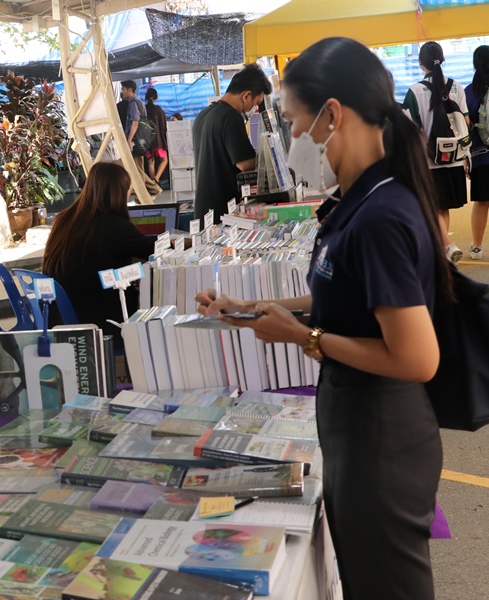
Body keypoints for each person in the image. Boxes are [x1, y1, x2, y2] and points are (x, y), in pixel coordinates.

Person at [196, 37, 447, 600]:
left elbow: (416, 358)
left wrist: (306, 338)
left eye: (292, 121)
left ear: (331, 115)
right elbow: (348, 295)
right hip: (358, 426)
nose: (290, 138)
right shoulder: (358, 200)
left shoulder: (381, 213)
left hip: (381, 435)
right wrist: (251, 308)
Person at [42, 162, 154, 346]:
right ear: (118, 192)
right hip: (99, 318)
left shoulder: (64, 218)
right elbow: (154, 250)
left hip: (61, 315)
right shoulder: (112, 225)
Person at [403, 41, 470, 262]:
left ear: (420, 62)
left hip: (429, 160)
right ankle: (443, 251)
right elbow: (465, 122)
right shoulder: (456, 87)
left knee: (432, 208)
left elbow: (410, 129)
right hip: (454, 158)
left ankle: (446, 246)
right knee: (442, 209)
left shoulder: (415, 91)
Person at [192, 63, 271, 223]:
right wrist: (269, 157)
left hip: (203, 210)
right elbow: (245, 164)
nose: (254, 109)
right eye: (256, 103)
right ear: (246, 96)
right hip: (223, 210)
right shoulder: (230, 116)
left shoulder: (203, 115)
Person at [466, 45, 489, 260]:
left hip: (481, 155)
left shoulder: (470, 91)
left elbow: (465, 125)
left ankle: (477, 247)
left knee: (482, 203)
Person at [120, 80, 163, 197]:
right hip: (140, 140)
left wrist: (129, 140)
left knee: (137, 169)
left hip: (135, 141)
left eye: (123, 89)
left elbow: (135, 122)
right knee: (137, 168)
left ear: (130, 90)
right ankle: (150, 191)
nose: (122, 92)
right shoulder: (138, 102)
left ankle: (147, 193)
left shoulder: (134, 103)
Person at [145, 88, 169, 185]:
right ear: (156, 97)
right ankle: (156, 179)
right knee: (164, 160)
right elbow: (164, 125)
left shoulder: (144, 109)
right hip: (158, 141)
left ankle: (153, 184)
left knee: (151, 162)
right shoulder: (158, 110)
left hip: (147, 142)